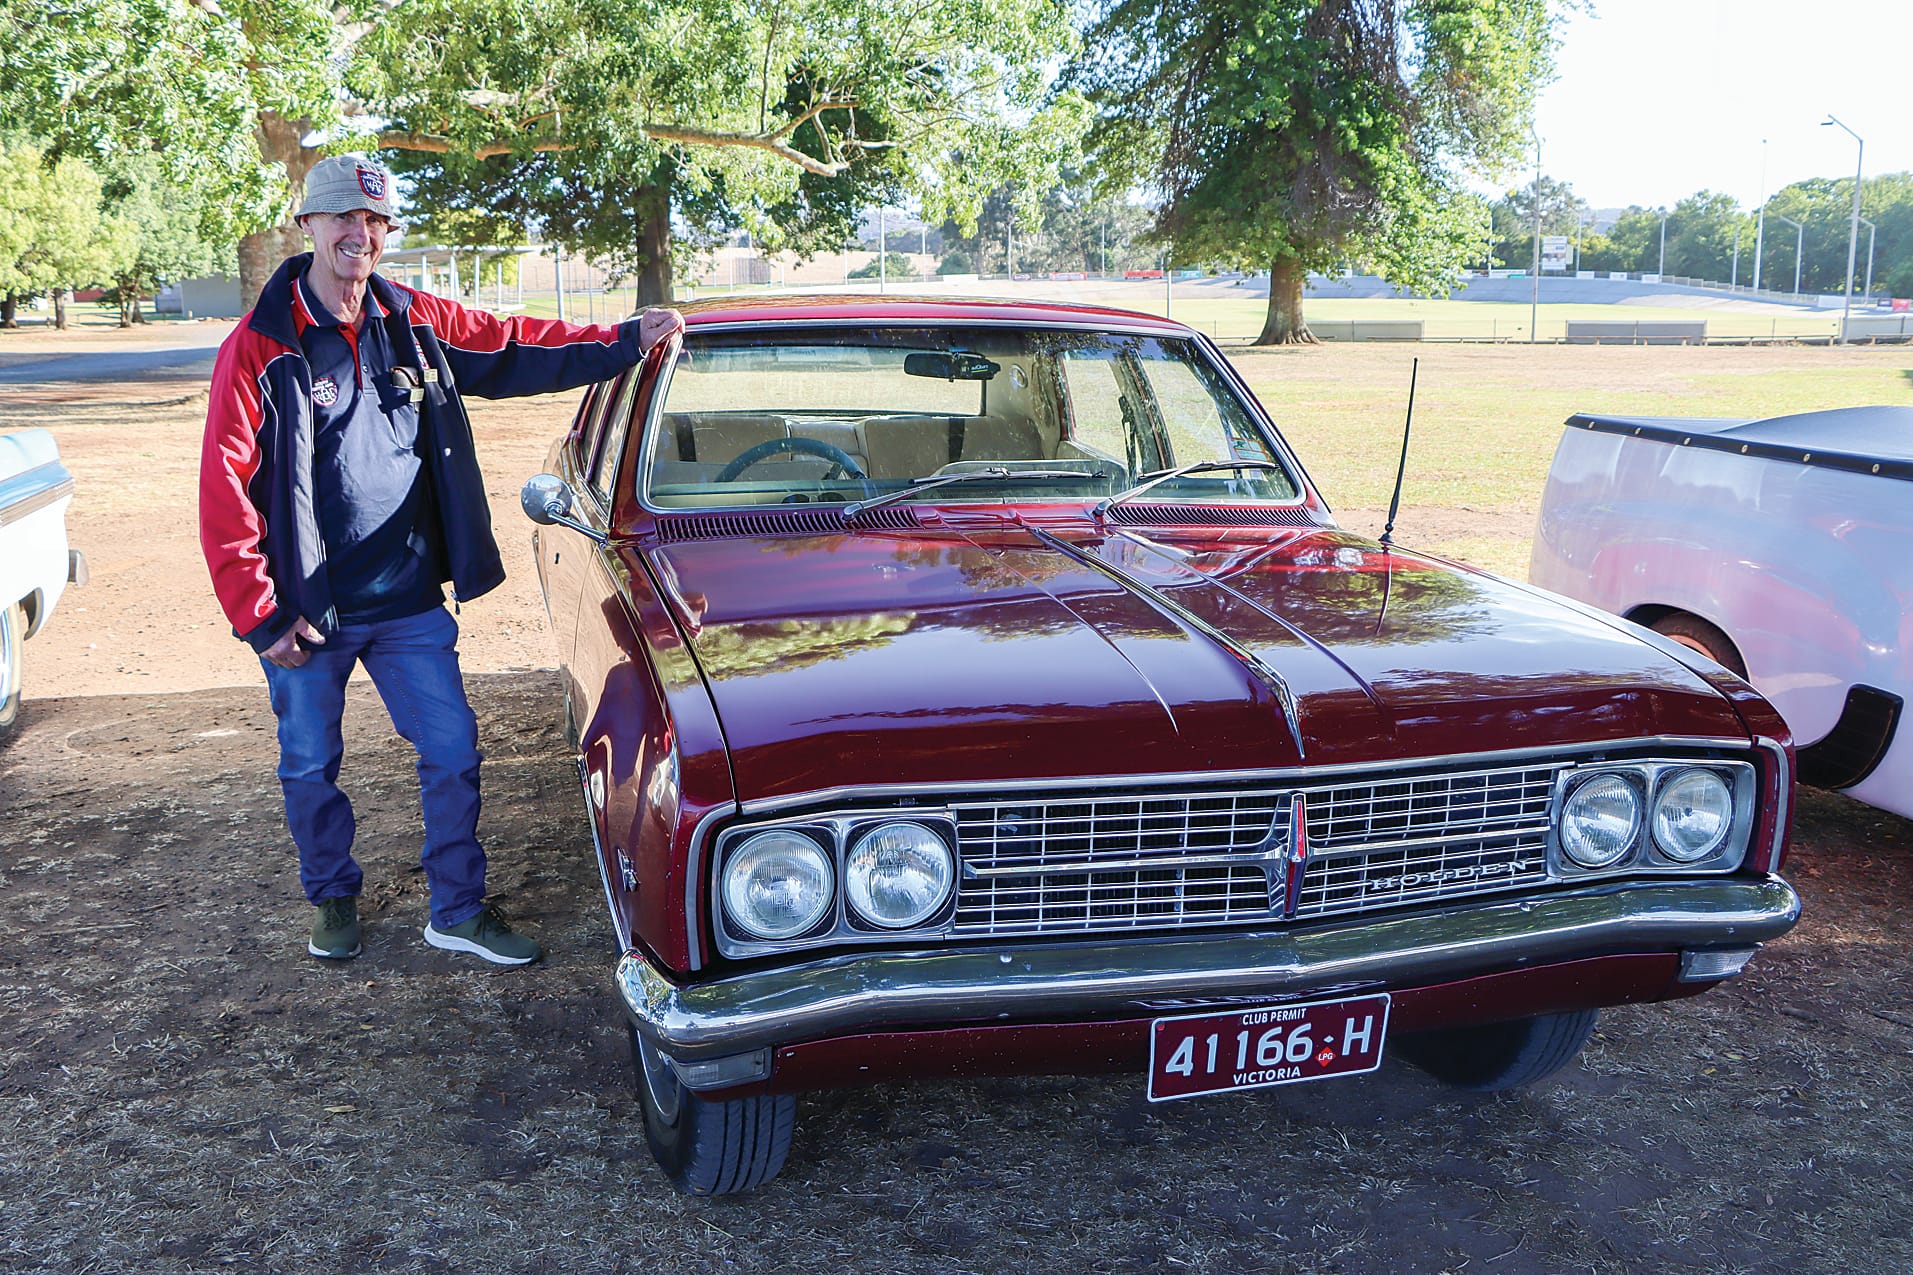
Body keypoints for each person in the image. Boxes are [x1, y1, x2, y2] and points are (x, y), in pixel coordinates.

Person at [199, 152, 681, 965]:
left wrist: (623, 341)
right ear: (309, 224)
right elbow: (224, 487)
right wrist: (260, 614)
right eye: (345, 217)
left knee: (453, 751)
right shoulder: (260, 345)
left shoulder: (412, 318)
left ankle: (455, 908)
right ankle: (333, 898)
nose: (362, 233)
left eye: (376, 220)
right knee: (310, 763)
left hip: (409, 600)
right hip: (308, 613)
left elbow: (518, 345)